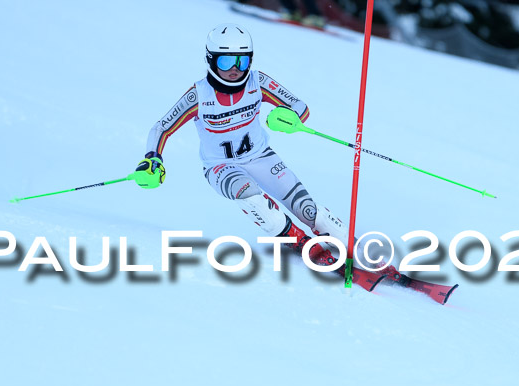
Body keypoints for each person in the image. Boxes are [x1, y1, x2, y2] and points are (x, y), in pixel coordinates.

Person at [134, 24, 400, 278]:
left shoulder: (257, 82)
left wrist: (290, 118)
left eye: (243, 61)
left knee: (308, 210)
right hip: (220, 167)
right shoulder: (199, 96)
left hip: (261, 157)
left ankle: (358, 251)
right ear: (211, 60)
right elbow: (161, 128)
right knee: (252, 198)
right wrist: (152, 159)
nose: (235, 70)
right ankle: (298, 240)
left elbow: (299, 106)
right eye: (226, 62)